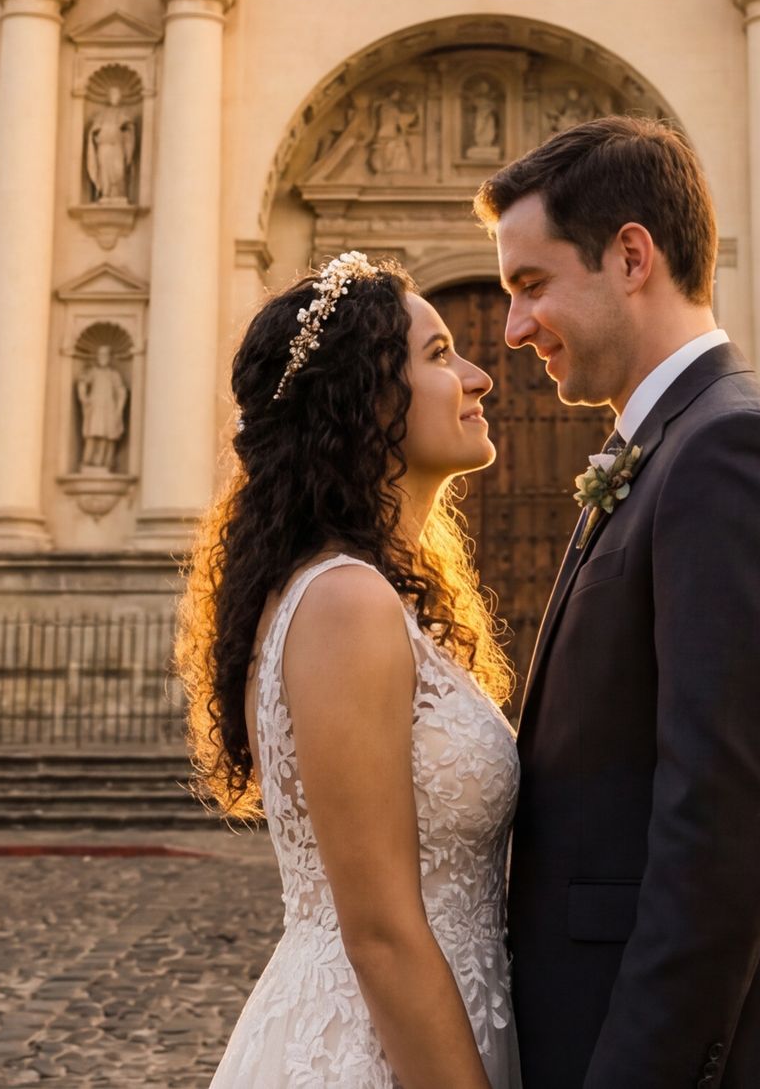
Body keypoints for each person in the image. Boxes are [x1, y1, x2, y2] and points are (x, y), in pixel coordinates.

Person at [477, 118, 760, 1087]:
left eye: (531, 286)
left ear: (630, 256)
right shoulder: (675, 445)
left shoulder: (733, 453)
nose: (515, 329)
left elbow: (721, 834)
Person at [187, 251, 520, 1089]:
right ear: (363, 397)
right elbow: (378, 929)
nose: (480, 375)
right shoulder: (345, 602)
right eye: (440, 354)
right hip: (376, 1052)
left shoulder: (368, 592)